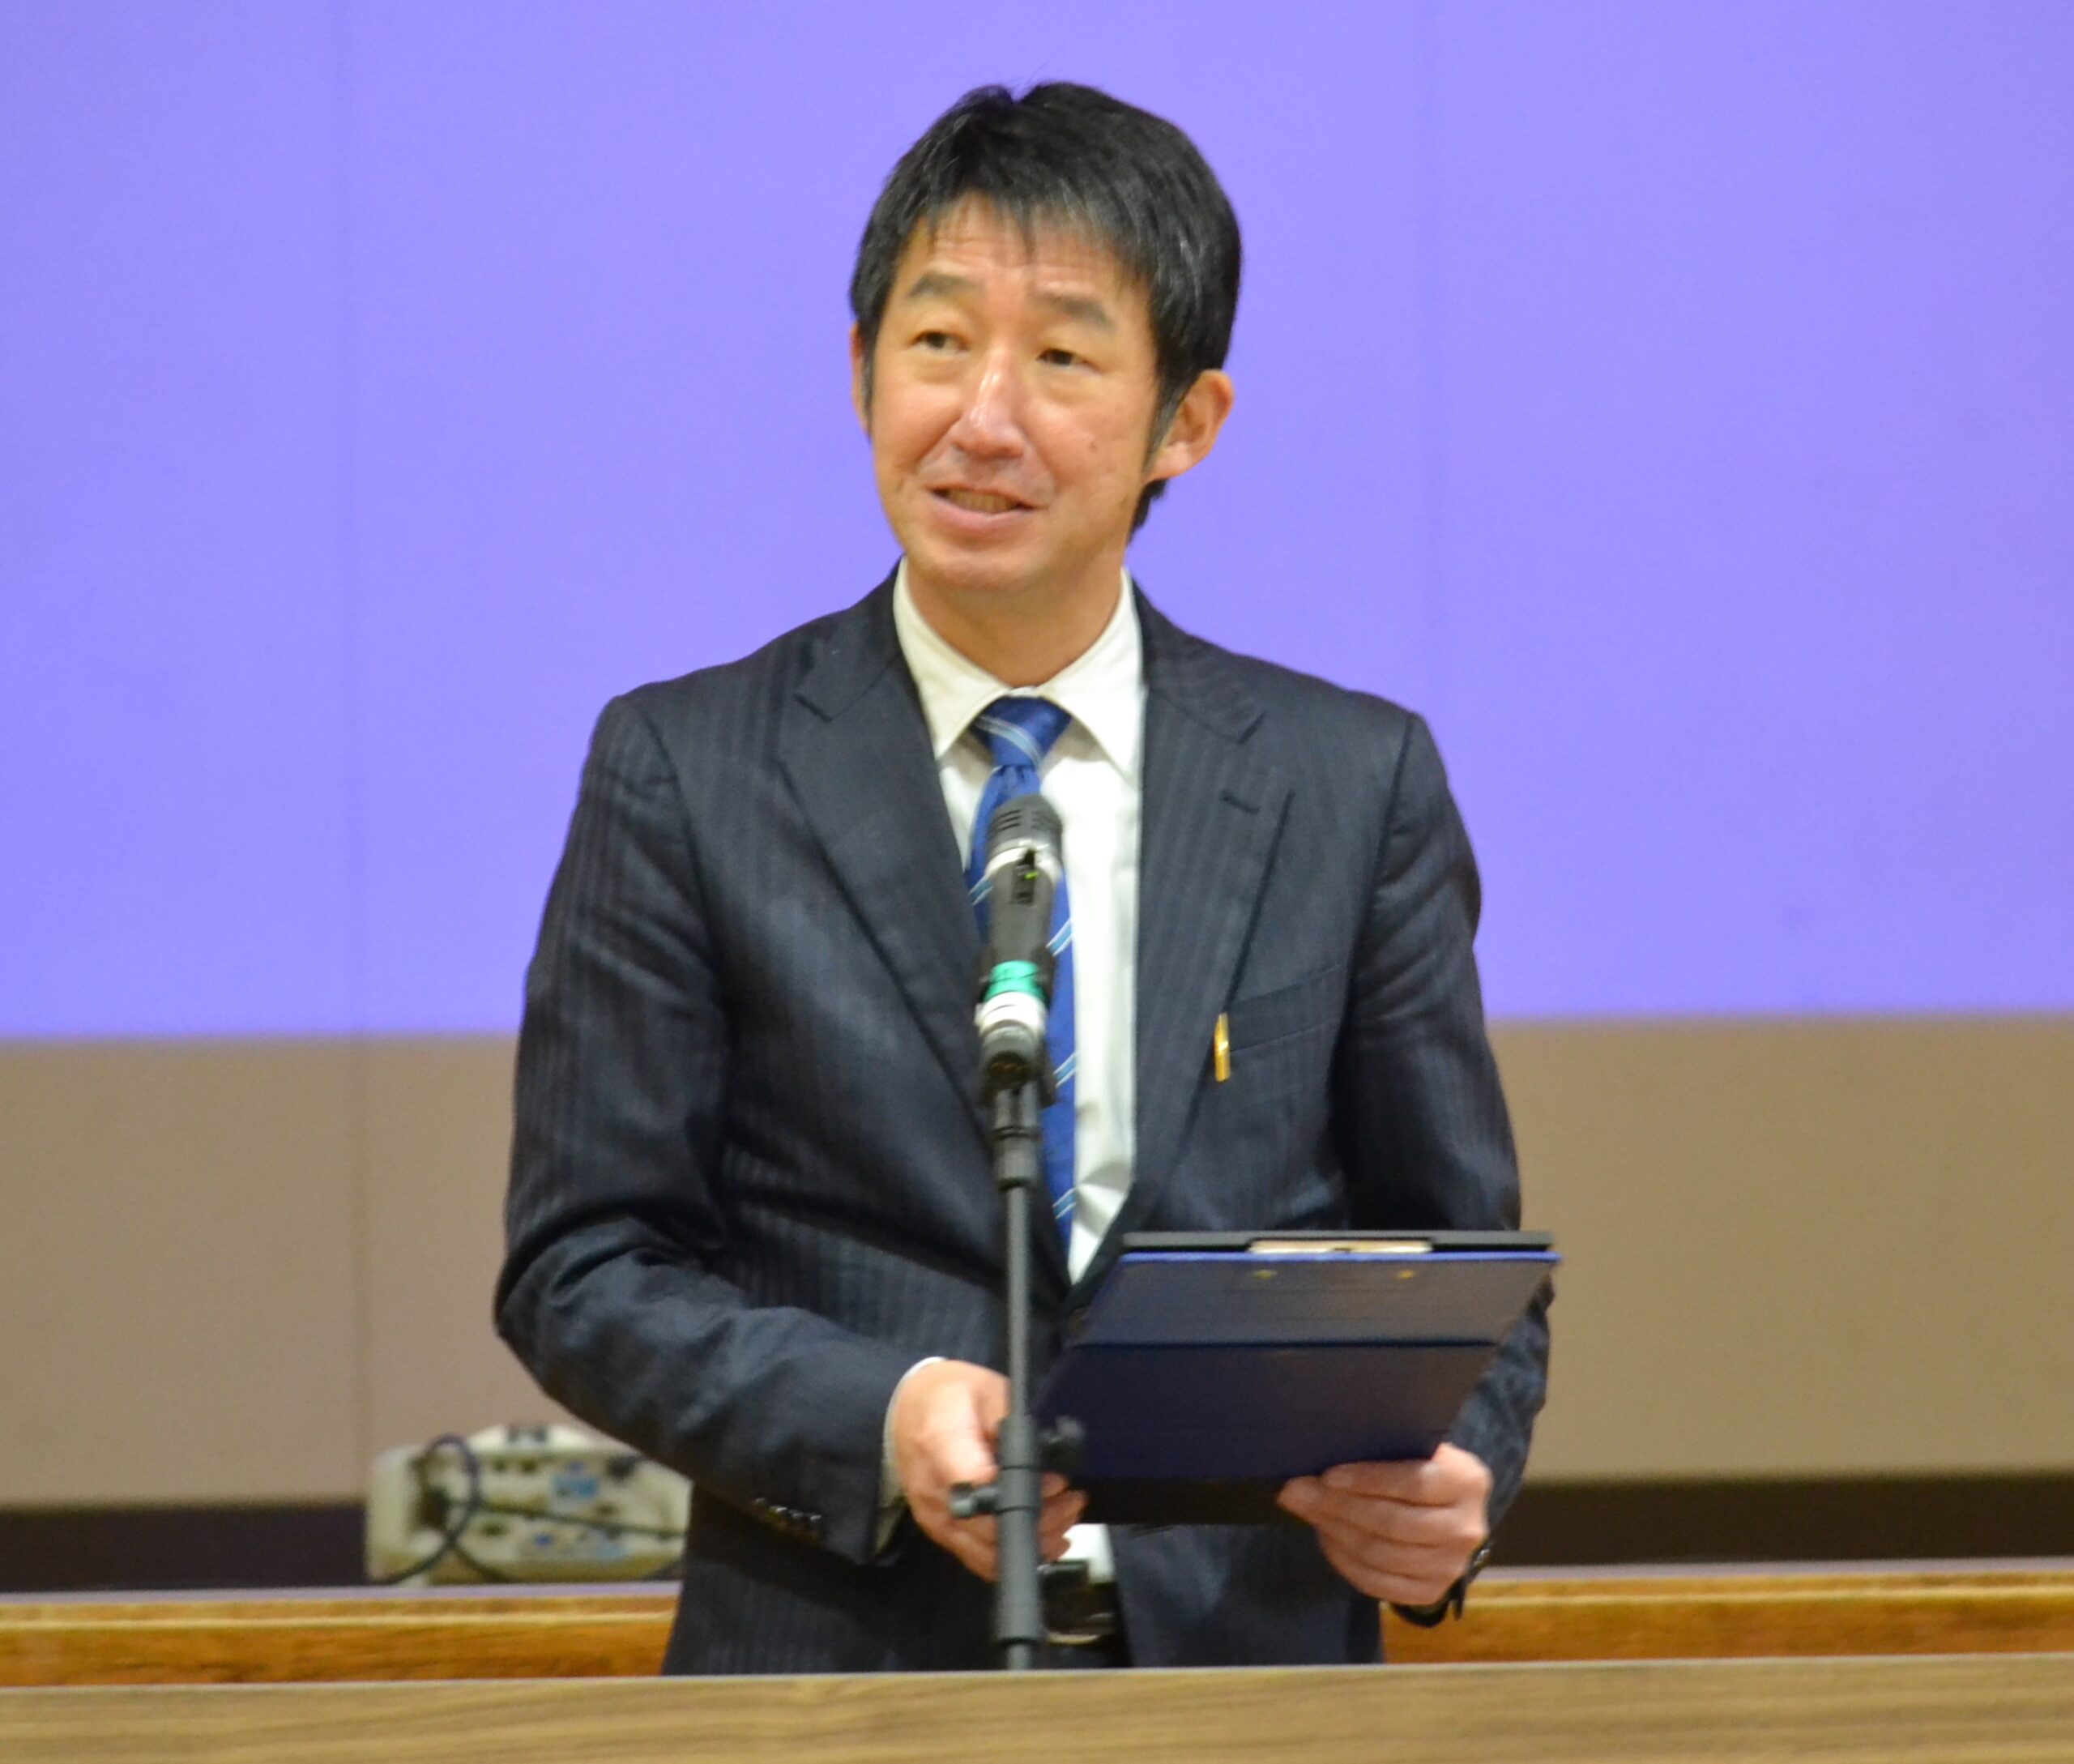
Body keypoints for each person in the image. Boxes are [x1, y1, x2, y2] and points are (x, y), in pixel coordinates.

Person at [497, 81, 1548, 1673]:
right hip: (841, 1677)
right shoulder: (687, 770)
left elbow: (1458, 1266)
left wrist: (1452, 1478)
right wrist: (882, 1410)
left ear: (1185, 422)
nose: (981, 416)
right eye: (936, 342)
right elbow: (582, 1267)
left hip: (1241, 1683)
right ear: (861, 369)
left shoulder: (1347, 784)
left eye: (1060, 357)